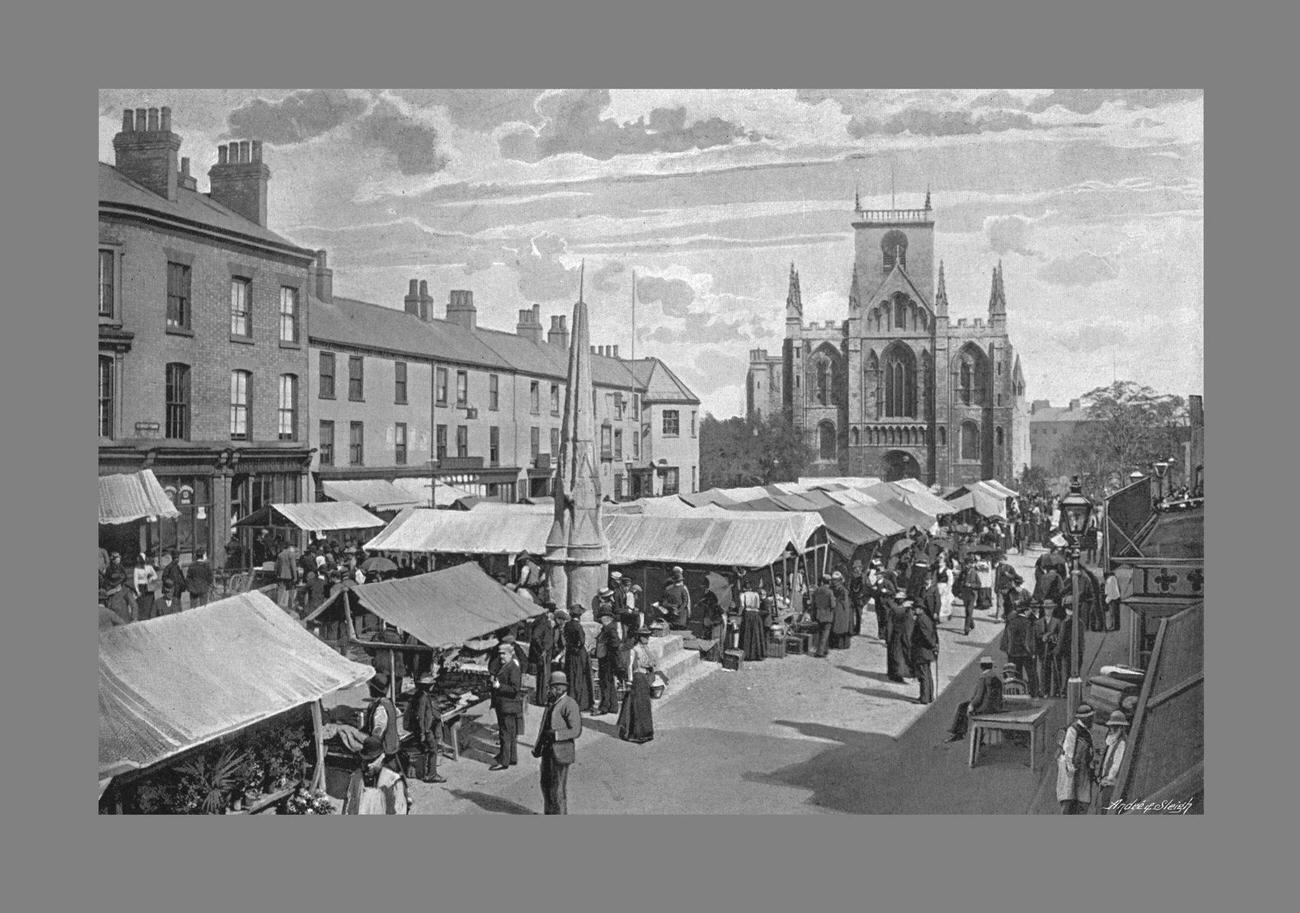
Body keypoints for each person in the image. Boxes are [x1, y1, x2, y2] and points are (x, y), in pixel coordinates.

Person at [536, 671, 583, 815]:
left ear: (559, 688)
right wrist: (538, 747)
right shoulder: (551, 704)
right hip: (548, 751)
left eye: (551, 688)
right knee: (546, 785)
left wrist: (556, 734)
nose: (549, 690)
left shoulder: (570, 704)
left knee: (557, 790)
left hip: (561, 753)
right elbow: (544, 727)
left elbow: (576, 730)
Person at [343, 736, 410, 815]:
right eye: (365, 761)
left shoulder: (393, 781)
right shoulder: (356, 777)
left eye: (372, 761)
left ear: (382, 757)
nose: (368, 765)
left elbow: (399, 812)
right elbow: (348, 808)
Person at [945, 656, 1004, 742]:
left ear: (982, 667)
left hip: (985, 708)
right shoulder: (995, 677)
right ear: (991, 666)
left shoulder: (983, 678)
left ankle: (958, 732)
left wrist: (971, 705)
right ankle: (958, 731)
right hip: (995, 707)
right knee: (964, 706)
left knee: (962, 706)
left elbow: (979, 697)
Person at [404, 671, 447, 784]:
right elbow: (421, 716)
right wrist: (423, 732)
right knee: (433, 749)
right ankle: (431, 774)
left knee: (430, 749)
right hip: (425, 730)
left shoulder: (420, 694)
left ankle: (427, 772)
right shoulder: (423, 697)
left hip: (424, 729)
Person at [617, 628, 656, 744]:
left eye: (648, 636)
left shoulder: (646, 649)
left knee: (645, 706)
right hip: (637, 678)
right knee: (636, 706)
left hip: (644, 678)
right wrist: (629, 681)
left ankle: (646, 732)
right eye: (645, 637)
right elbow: (630, 667)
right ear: (639, 637)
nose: (647, 639)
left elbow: (652, 662)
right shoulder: (634, 650)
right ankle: (635, 733)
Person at [489, 642, 523, 770]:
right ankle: (511, 758)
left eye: (504, 654)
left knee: (505, 733)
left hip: (507, 706)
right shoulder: (507, 665)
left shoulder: (513, 667)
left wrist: (499, 686)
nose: (501, 656)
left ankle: (504, 762)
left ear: (511, 653)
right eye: (500, 654)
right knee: (511, 733)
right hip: (506, 705)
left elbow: (515, 689)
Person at [1057, 704, 1097, 814]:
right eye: (1090, 718)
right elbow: (1068, 751)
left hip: (1082, 769)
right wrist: (1071, 769)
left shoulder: (1085, 731)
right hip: (1072, 771)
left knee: (1082, 800)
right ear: (1084, 718)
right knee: (1069, 799)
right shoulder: (1073, 730)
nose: (1092, 720)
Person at [558, 607, 594, 712]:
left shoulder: (567, 625)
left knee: (571, 677)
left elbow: (566, 639)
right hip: (579, 655)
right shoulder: (578, 626)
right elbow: (581, 641)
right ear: (579, 616)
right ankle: (581, 703)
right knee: (580, 677)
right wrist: (578, 648)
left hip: (570, 653)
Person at [1094, 711, 1129, 813]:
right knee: (1101, 807)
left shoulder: (1121, 743)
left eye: (1115, 727)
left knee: (1107, 807)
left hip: (1111, 783)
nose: (1112, 729)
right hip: (1105, 782)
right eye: (1111, 727)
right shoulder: (1111, 741)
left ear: (1121, 728)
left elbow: (1116, 765)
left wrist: (1109, 777)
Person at [594, 608, 626, 716]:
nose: (600, 620)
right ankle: (613, 706)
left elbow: (615, 644)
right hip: (607, 659)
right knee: (609, 682)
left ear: (607, 618)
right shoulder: (607, 628)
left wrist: (608, 650)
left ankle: (604, 707)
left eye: (602, 618)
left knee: (605, 683)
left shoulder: (610, 629)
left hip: (607, 660)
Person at [1004, 603, 1040, 697]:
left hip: (1012, 653)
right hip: (1025, 653)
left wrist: (1008, 650)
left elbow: (1006, 639)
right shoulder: (1027, 623)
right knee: (1031, 674)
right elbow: (1027, 641)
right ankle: (1034, 693)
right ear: (1026, 611)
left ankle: (1018, 693)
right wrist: (1031, 652)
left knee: (1016, 674)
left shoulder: (1011, 622)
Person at [362, 685, 401, 772]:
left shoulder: (380, 708)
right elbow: (398, 713)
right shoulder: (388, 702)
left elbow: (379, 728)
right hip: (393, 741)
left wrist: (372, 740)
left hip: (385, 744)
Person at [528, 608, 560, 706]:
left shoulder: (544, 621)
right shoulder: (542, 622)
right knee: (544, 676)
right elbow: (535, 637)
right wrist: (542, 649)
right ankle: (542, 700)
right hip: (543, 654)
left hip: (545, 653)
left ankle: (542, 698)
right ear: (547, 612)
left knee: (544, 676)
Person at [910, 603, 938, 704]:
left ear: (921, 609)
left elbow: (926, 636)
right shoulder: (926, 618)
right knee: (927, 674)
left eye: (916, 608)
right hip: (926, 651)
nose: (914, 610)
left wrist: (932, 645)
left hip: (922, 651)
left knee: (923, 675)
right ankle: (929, 696)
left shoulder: (921, 620)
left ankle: (924, 698)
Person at [886, 592, 914, 683]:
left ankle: (893, 674)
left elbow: (889, 625)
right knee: (902, 656)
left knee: (893, 654)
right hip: (904, 635)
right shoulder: (908, 611)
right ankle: (901, 674)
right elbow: (910, 626)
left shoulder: (893, 610)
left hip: (895, 635)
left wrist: (888, 637)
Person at [737, 578, 767, 662]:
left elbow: (742, 606)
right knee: (756, 634)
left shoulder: (743, 595)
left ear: (744, 588)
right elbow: (757, 605)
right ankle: (756, 654)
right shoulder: (756, 594)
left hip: (748, 614)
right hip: (756, 614)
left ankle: (747, 654)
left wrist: (739, 613)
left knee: (747, 634)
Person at [103, 552, 134, 622]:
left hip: (120, 588)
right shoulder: (109, 569)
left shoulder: (121, 567)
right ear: (113, 560)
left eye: (119, 558)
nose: (118, 560)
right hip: (111, 590)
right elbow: (107, 580)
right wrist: (112, 590)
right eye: (117, 559)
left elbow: (125, 577)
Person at [810, 575, 835, 658]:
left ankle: (825, 650)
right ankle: (820, 652)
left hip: (818, 614)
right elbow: (833, 605)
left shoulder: (817, 591)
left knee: (821, 633)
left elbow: (813, 603)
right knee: (825, 633)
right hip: (827, 615)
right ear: (829, 582)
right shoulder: (830, 592)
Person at [994, 555, 1022, 621]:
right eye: (1000, 560)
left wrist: (1008, 575)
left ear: (1005, 560)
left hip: (1008, 588)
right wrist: (996, 587)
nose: (1001, 561)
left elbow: (1015, 576)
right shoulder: (998, 568)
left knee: (1008, 603)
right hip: (1000, 588)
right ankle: (998, 617)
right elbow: (996, 579)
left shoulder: (1010, 568)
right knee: (999, 603)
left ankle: (1007, 617)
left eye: (1002, 560)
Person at [830, 571, 853, 650]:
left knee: (840, 627)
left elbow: (845, 602)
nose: (834, 582)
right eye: (833, 580)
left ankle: (841, 645)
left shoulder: (842, 590)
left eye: (835, 580)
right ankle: (837, 644)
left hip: (841, 610)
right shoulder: (836, 588)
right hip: (838, 610)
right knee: (838, 627)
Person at [133, 553, 159, 621]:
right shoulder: (136, 569)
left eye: (143, 562)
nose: (143, 564)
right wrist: (137, 590)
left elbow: (155, 575)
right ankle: (142, 618)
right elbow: (135, 580)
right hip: (141, 587)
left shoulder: (149, 567)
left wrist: (151, 578)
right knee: (141, 604)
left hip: (148, 587)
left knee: (149, 603)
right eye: (141, 562)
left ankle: (150, 617)